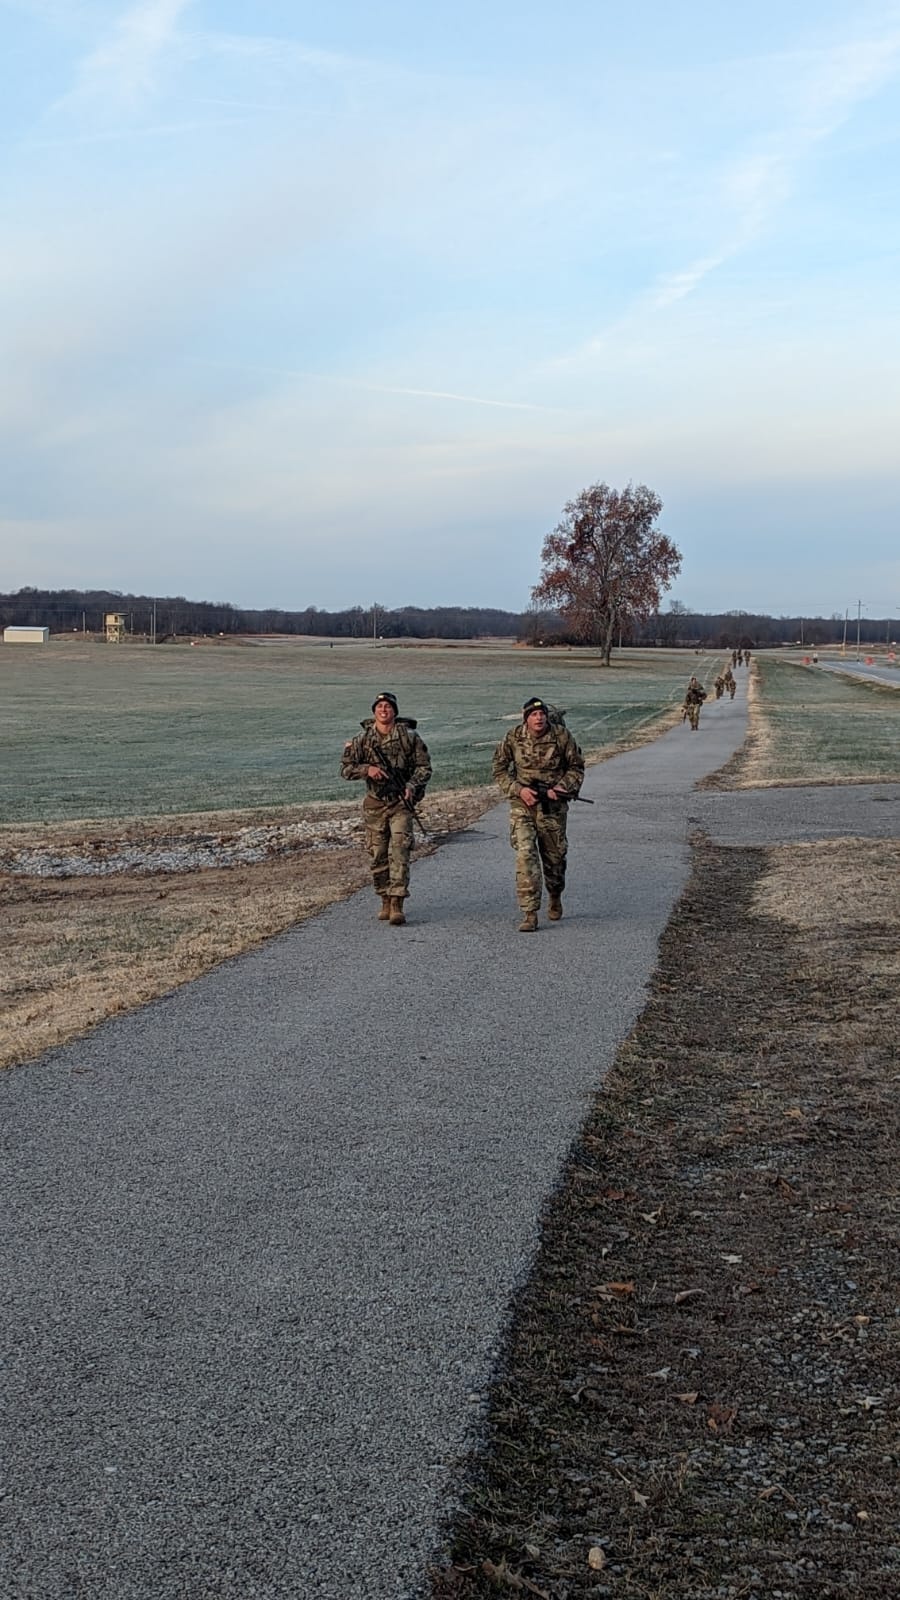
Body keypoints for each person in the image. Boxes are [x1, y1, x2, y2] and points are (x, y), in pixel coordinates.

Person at [491, 696, 585, 933]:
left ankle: (554, 894)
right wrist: (518, 790)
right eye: (533, 715)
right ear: (526, 718)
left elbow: (576, 766)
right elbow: (499, 768)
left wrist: (562, 787)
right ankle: (530, 912)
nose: (539, 718)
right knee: (526, 854)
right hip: (523, 805)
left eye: (541, 714)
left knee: (554, 860)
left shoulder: (562, 736)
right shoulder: (513, 737)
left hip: (553, 807)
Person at [340, 692, 432, 926]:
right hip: (375, 803)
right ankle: (384, 898)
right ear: (374, 711)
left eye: (388, 707)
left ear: (394, 712)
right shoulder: (362, 740)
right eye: (380, 706)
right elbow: (345, 769)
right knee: (378, 854)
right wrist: (367, 770)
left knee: (400, 851)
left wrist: (412, 786)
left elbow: (424, 767)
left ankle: (397, 903)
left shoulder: (409, 737)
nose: (384, 710)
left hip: (400, 803)